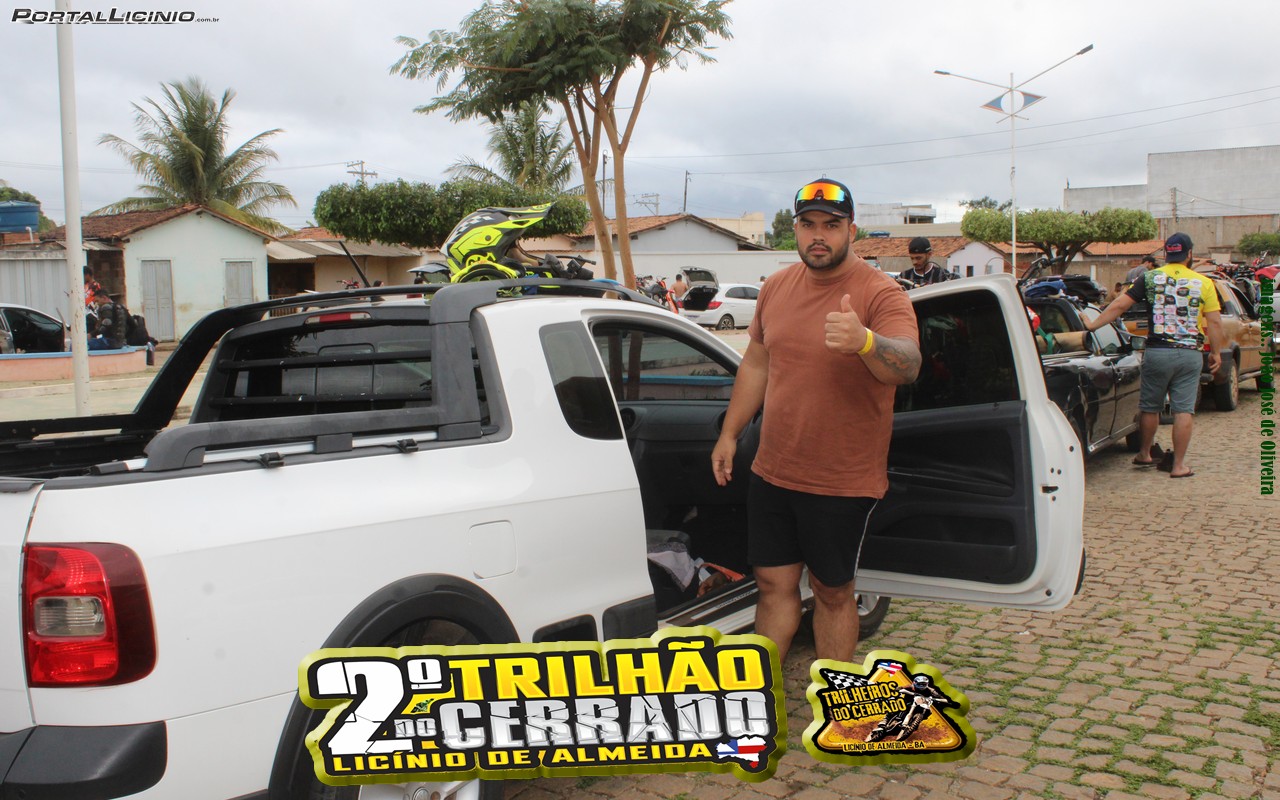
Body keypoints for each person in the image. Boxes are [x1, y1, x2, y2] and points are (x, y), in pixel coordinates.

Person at [710, 178, 921, 663]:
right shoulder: (776, 287)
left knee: (832, 592)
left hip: (841, 481)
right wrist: (730, 434)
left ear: (851, 230)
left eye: (831, 225)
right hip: (773, 470)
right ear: (796, 229)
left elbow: (908, 365)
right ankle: (763, 694)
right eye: (808, 225)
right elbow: (757, 364)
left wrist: (865, 342)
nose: (818, 235)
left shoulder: (881, 293)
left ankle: (837, 699)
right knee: (772, 585)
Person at [1086, 233, 1225, 479]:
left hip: (1157, 352)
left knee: (1150, 406)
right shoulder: (1204, 283)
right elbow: (1214, 322)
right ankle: (1178, 466)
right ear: (1189, 254)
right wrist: (1215, 352)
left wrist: (1092, 325)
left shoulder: (1149, 278)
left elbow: (1119, 305)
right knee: (1183, 410)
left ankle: (1145, 454)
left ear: (1166, 255)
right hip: (1190, 354)